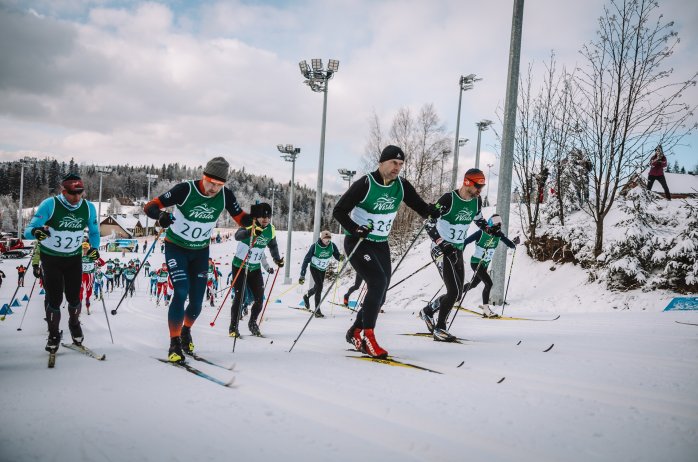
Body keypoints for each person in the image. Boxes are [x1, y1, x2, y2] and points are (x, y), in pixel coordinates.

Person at [332, 145, 439, 358]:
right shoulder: (365, 183)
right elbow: (339, 211)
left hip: (381, 243)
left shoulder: (402, 185)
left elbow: (420, 206)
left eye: (400, 164)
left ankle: (355, 330)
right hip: (358, 241)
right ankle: (367, 337)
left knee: (380, 294)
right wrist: (355, 228)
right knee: (377, 282)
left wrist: (432, 210)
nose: (397, 168)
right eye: (393, 163)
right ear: (381, 163)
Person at [143, 157, 252, 363]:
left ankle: (186, 332)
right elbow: (150, 206)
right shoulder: (185, 190)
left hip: (200, 252)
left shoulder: (225, 195)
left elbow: (240, 217)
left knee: (197, 303)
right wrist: (161, 216)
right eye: (211, 182)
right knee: (181, 290)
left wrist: (255, 222)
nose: (214, 188)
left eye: (220, 185)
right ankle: (174, 342)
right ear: (204, 176)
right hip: (176, 248)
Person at [23, 173, 100, 353]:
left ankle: (74, 323)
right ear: (62, 190)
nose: (76, 197)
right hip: (52, 259)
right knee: (54, 299)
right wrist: (37, 233)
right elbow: (28, 231)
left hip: (73, 258)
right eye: (72, 193)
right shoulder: (50, 204)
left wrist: (95, 248)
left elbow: (95, 232)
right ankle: (53, 334)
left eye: (80, 193)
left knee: (74, 298)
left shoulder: (88, 208)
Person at [418, 168, 490, 341]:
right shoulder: (448, 199)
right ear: (467, 182)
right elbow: (429, 225)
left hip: (457, 250)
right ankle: (440, 329)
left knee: (457, 294)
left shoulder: (477, 201)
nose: (480, 190)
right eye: (477, 186)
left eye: (482, 186)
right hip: (441, 249)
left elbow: (479, 220)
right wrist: (441, 243)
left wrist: (489, 229)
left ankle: (428, 311)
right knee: (453, 291)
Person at [228, 202, 283, 338]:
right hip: (240, 266)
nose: (265, 219)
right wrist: (250, 231)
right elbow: (237, 236)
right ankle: (233, 328)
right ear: (256, 217)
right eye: (262, 216)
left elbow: (273, 245)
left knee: (259, 298)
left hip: (255, 268)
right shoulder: (249, 223)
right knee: (239, 298)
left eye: (268, 217)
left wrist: (277, 259)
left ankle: (252, 323)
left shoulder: (270, 229)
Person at [460, 214, 518, 317]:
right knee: (489, 283)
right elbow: (465, 242)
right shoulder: (481, 233)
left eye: (499, 223)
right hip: (476, 262)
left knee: (473, 284)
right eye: (496, 223)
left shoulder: (498, 235)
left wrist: (514, 243)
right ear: (491, 223)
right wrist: (459, 253)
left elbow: (509, 244)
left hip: (485, 264)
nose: (498, 225)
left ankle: (455, 296)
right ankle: (486, 309)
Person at [299, 230, 341, 318]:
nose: (327, 241)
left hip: (323, 269)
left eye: (329, 239)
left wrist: (341, 257)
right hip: (314, 268)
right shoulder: (314, 246)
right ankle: (317, 311)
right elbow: (306, 260)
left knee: (316, 287)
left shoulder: (332, 246)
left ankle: (306, 296)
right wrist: (302, 274)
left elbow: (337, 255)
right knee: (320, 286)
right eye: (325, 239)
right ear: (321, 238)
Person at [80, 241, 105, 313]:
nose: (85, 250)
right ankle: (79, 305)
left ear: (89, 249)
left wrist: (98, 260)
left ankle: (87, 302)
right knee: (80, 290)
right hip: (82, 274)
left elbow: (102, 263)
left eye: (86, 249)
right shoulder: (80, 256)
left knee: (88, 289)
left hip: (90, 274)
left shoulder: (92, 256)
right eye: (83, 249)